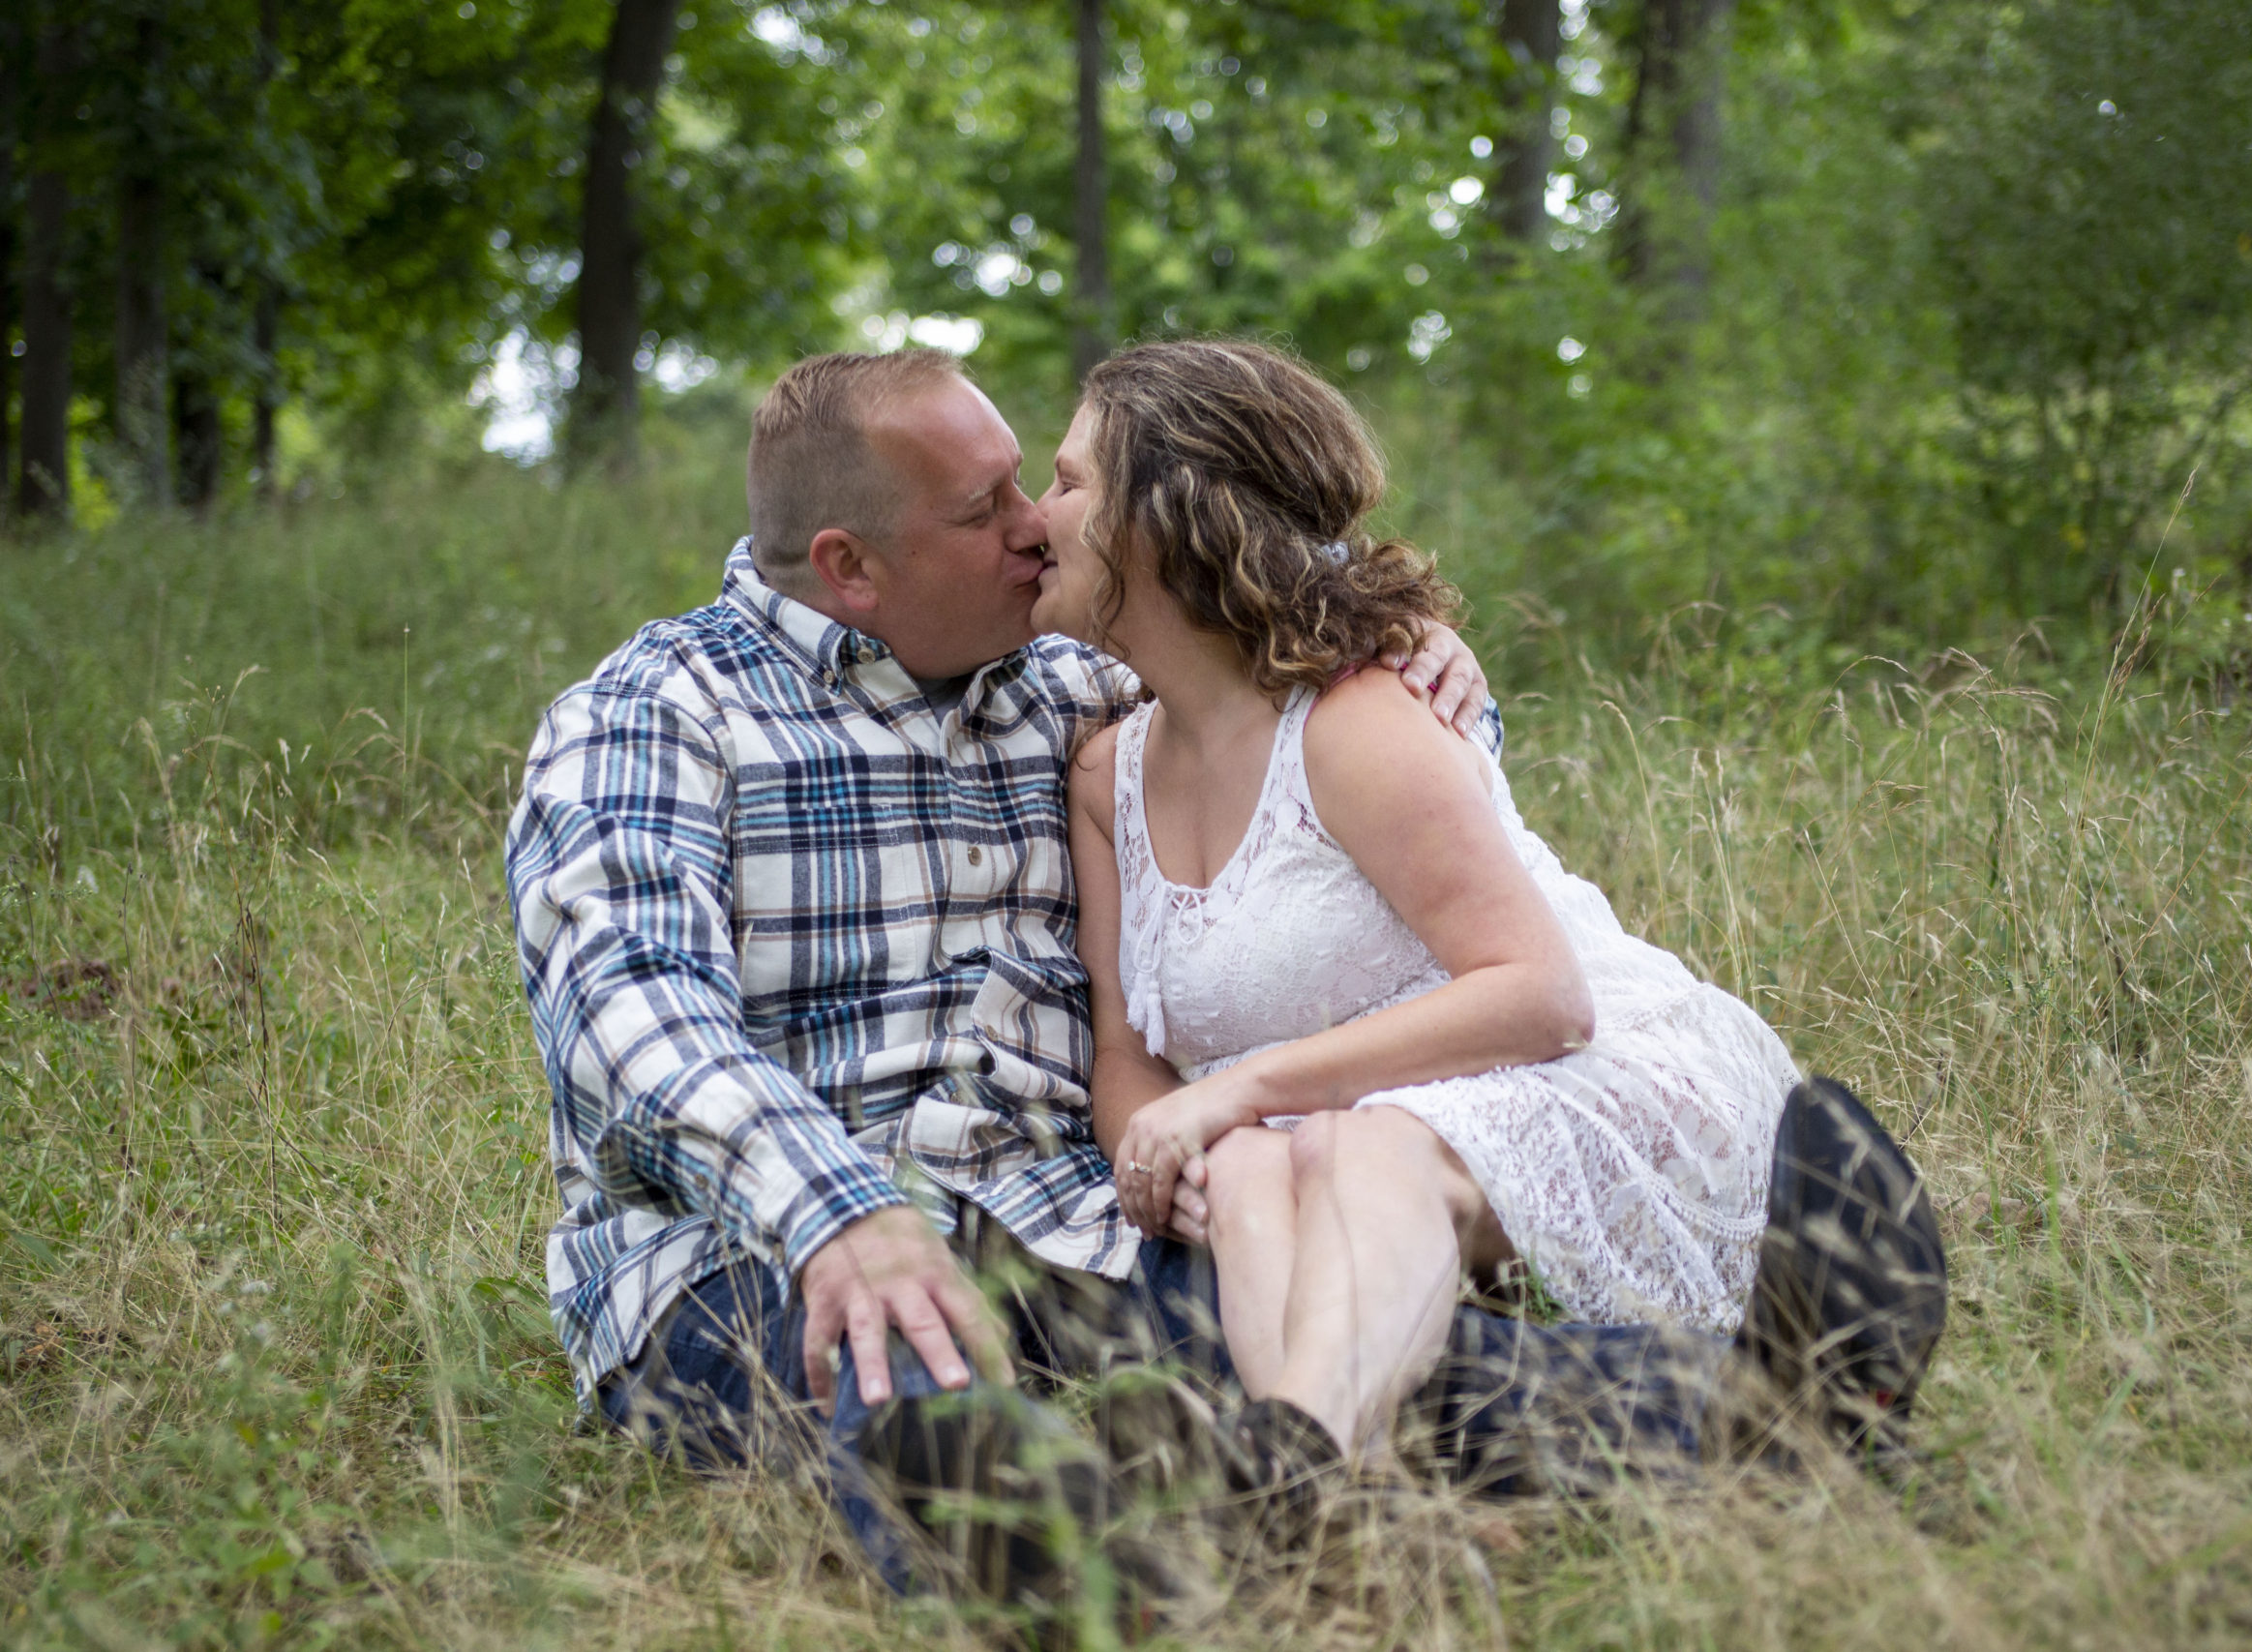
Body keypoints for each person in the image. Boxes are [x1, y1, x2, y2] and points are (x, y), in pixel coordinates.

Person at [505, 348, 1817, 1618]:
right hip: (756, 1247)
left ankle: (1782, 1399)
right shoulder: (653, 715)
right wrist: (842, 1209)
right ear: (850, 567)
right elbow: (632, 1011)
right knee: (908, 1360)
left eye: (1032, 483)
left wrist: (1411, 636)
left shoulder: (1065, 674)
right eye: (985, 509)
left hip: (1056, 1215)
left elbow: (1271, 637)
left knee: (1343, 1343)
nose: (1035, 530)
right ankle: (1067, 1570)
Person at [1037, 338, 1947, 1491]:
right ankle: (1319, 1493)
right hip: (1302, 1138)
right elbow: (1123, 1045)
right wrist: (1162, 1149)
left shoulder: (1358, 721)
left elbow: (1540, 996)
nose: (1034, 513)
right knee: (1265, 1173)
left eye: (1067, 481)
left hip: (1559, 1067)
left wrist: (1235, 1091)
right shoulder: (1104, 776)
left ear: (1162, 522)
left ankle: (1297, 1464)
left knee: (1354, 1142)